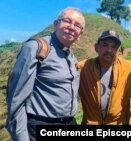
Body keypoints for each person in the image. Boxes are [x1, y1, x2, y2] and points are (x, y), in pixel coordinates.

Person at [6, 7, 85, 141]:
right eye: (67, 21)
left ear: (80, 35)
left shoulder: (72, 57)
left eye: (77, 25)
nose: (72, 27)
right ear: (56, 24)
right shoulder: (36, 48)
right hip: (41, 124)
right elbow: (16, 100)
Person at [77, 30, 131, 125]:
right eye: (105, 45)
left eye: (114, 47)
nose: (109, 50)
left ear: (119, 50)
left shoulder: (130, 69)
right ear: (96, 47)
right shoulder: (83, 67)